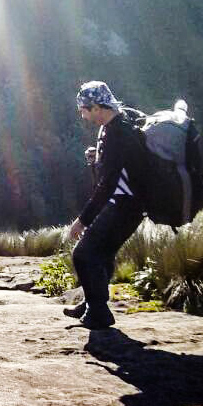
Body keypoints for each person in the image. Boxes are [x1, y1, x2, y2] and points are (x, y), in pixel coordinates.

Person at [66, 81, 150, 329]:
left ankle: (99, 312)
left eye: (84, 110)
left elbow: (108, 185)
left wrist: (82, 220)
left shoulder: (118, 133)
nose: (83, 115)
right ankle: (93, 304)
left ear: (96, 107)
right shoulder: (113, 126)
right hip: (128, 206)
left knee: (83, 254)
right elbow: (113, 172)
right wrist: (97, 160)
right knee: (101, 255)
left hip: (124, 206)